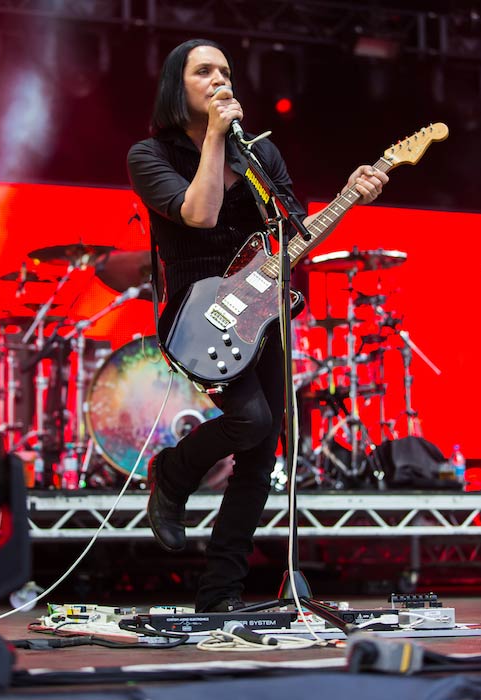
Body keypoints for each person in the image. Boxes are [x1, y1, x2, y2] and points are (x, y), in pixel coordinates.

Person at [127, 38, 388, 613]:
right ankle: (172, 469)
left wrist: (351, 199)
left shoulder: (262, 155)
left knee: (264, 445)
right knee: (251, 418)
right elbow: (200, 215)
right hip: (197, 308)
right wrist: (217, 138)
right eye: (204, 71)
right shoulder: (150, 156)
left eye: (225, 70)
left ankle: (219, 593)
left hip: (260, 310)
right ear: (178, 85)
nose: (220, 80)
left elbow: (296, 233)